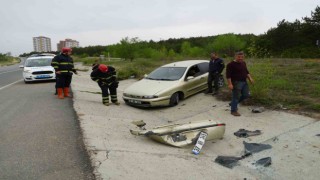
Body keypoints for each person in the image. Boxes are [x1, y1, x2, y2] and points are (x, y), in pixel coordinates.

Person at [226, 51, 254, 116]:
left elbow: (246, 72)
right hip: (236, 83)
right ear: (235, 56)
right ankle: (233, 111)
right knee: (236, 96)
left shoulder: (243, 63)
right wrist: (230, 84)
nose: (240, 58)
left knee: (246, 95)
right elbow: (228, 76)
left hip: (244, 82)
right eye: (239, 57)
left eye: (242, 57)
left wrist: (250, 78)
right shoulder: (230, 64)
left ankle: (233, 103)